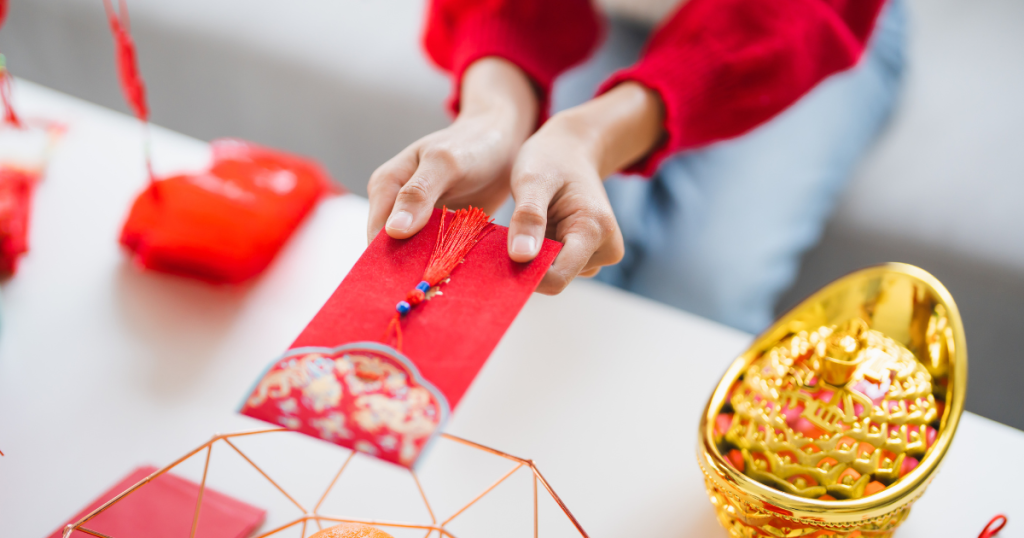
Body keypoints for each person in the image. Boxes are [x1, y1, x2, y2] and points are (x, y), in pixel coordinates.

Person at [366, 0, 906, 333]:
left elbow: (793, 15)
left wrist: (591, 137)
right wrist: (496, 113)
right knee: (549, 263)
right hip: (598, 13)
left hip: (797, 21)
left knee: (705, 286)